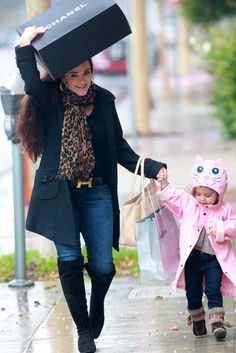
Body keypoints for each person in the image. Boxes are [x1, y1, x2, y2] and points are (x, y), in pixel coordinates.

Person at [15, 26, 167, 353]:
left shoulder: (105, 101)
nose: (83, 80)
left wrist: (153, 168)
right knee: (69, 257)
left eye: (86, 72)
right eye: (74, 75)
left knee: (103, 266)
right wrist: (25, 45)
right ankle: (84, 332)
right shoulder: (50, 101)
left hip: (96, 191)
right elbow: (30, 81)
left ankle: (96, 303)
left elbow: (120, 148)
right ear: (62, 78)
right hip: (60, 192)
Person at [157, 155, 236, 340]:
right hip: (192, 259)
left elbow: (234, 224)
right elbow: (173, 196)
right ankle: (198, 320)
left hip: (213, 259)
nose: (202, 198)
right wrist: (164, 183)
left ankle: (217, 322)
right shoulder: (188, 203)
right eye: (198, 193)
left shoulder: (224, 210)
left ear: (219, 192)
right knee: (192, 291)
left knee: (213, 289)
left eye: (208, 195)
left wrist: (223, 228)